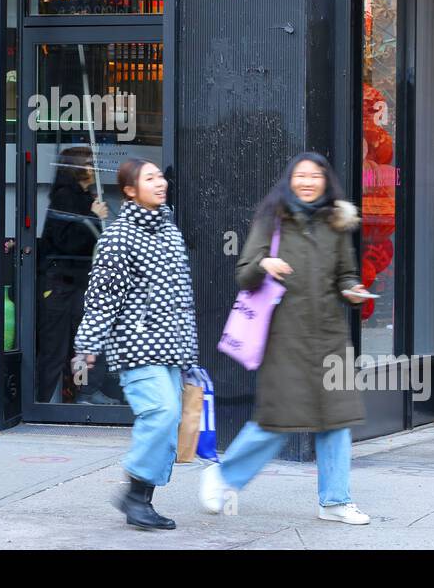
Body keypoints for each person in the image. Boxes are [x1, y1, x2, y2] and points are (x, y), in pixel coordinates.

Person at [200, 152, 375, 526]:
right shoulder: (272, 219)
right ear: (289, 180)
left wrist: (353, 289)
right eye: (301, 175)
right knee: (275, 421)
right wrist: (265, 265)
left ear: (326, 182)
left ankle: (335, 501)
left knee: (337, 419)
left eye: (316, 176)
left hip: (329, 336)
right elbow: (244, 272)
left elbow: (345, 274)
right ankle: (223, 476)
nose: (308, 182)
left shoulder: (337, 223)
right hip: (284, 337)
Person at [74, 159, 197, 530]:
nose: (160, 183)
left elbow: (182, 296)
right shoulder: (119, 236)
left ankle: (141, 500)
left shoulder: (169, 230)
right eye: (149, 178)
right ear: (130, 190)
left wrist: (188, 352)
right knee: (160, 414)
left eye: (160, 176)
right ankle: (134, 494)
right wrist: (88, 345)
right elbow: (102, 296)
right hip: (137, 344)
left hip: (172, 347)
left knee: (169, 418)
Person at [34, 146, 111, 403]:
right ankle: (49, 399)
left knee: (81, 342)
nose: (95, 168)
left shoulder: (79, 196)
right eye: (90, 163)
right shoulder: (66, 198)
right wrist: (93, 216)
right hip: (62, 284)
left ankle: (82, 393)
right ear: (77, 167)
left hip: (75, 283)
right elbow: (66, 242)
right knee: (57, 346)